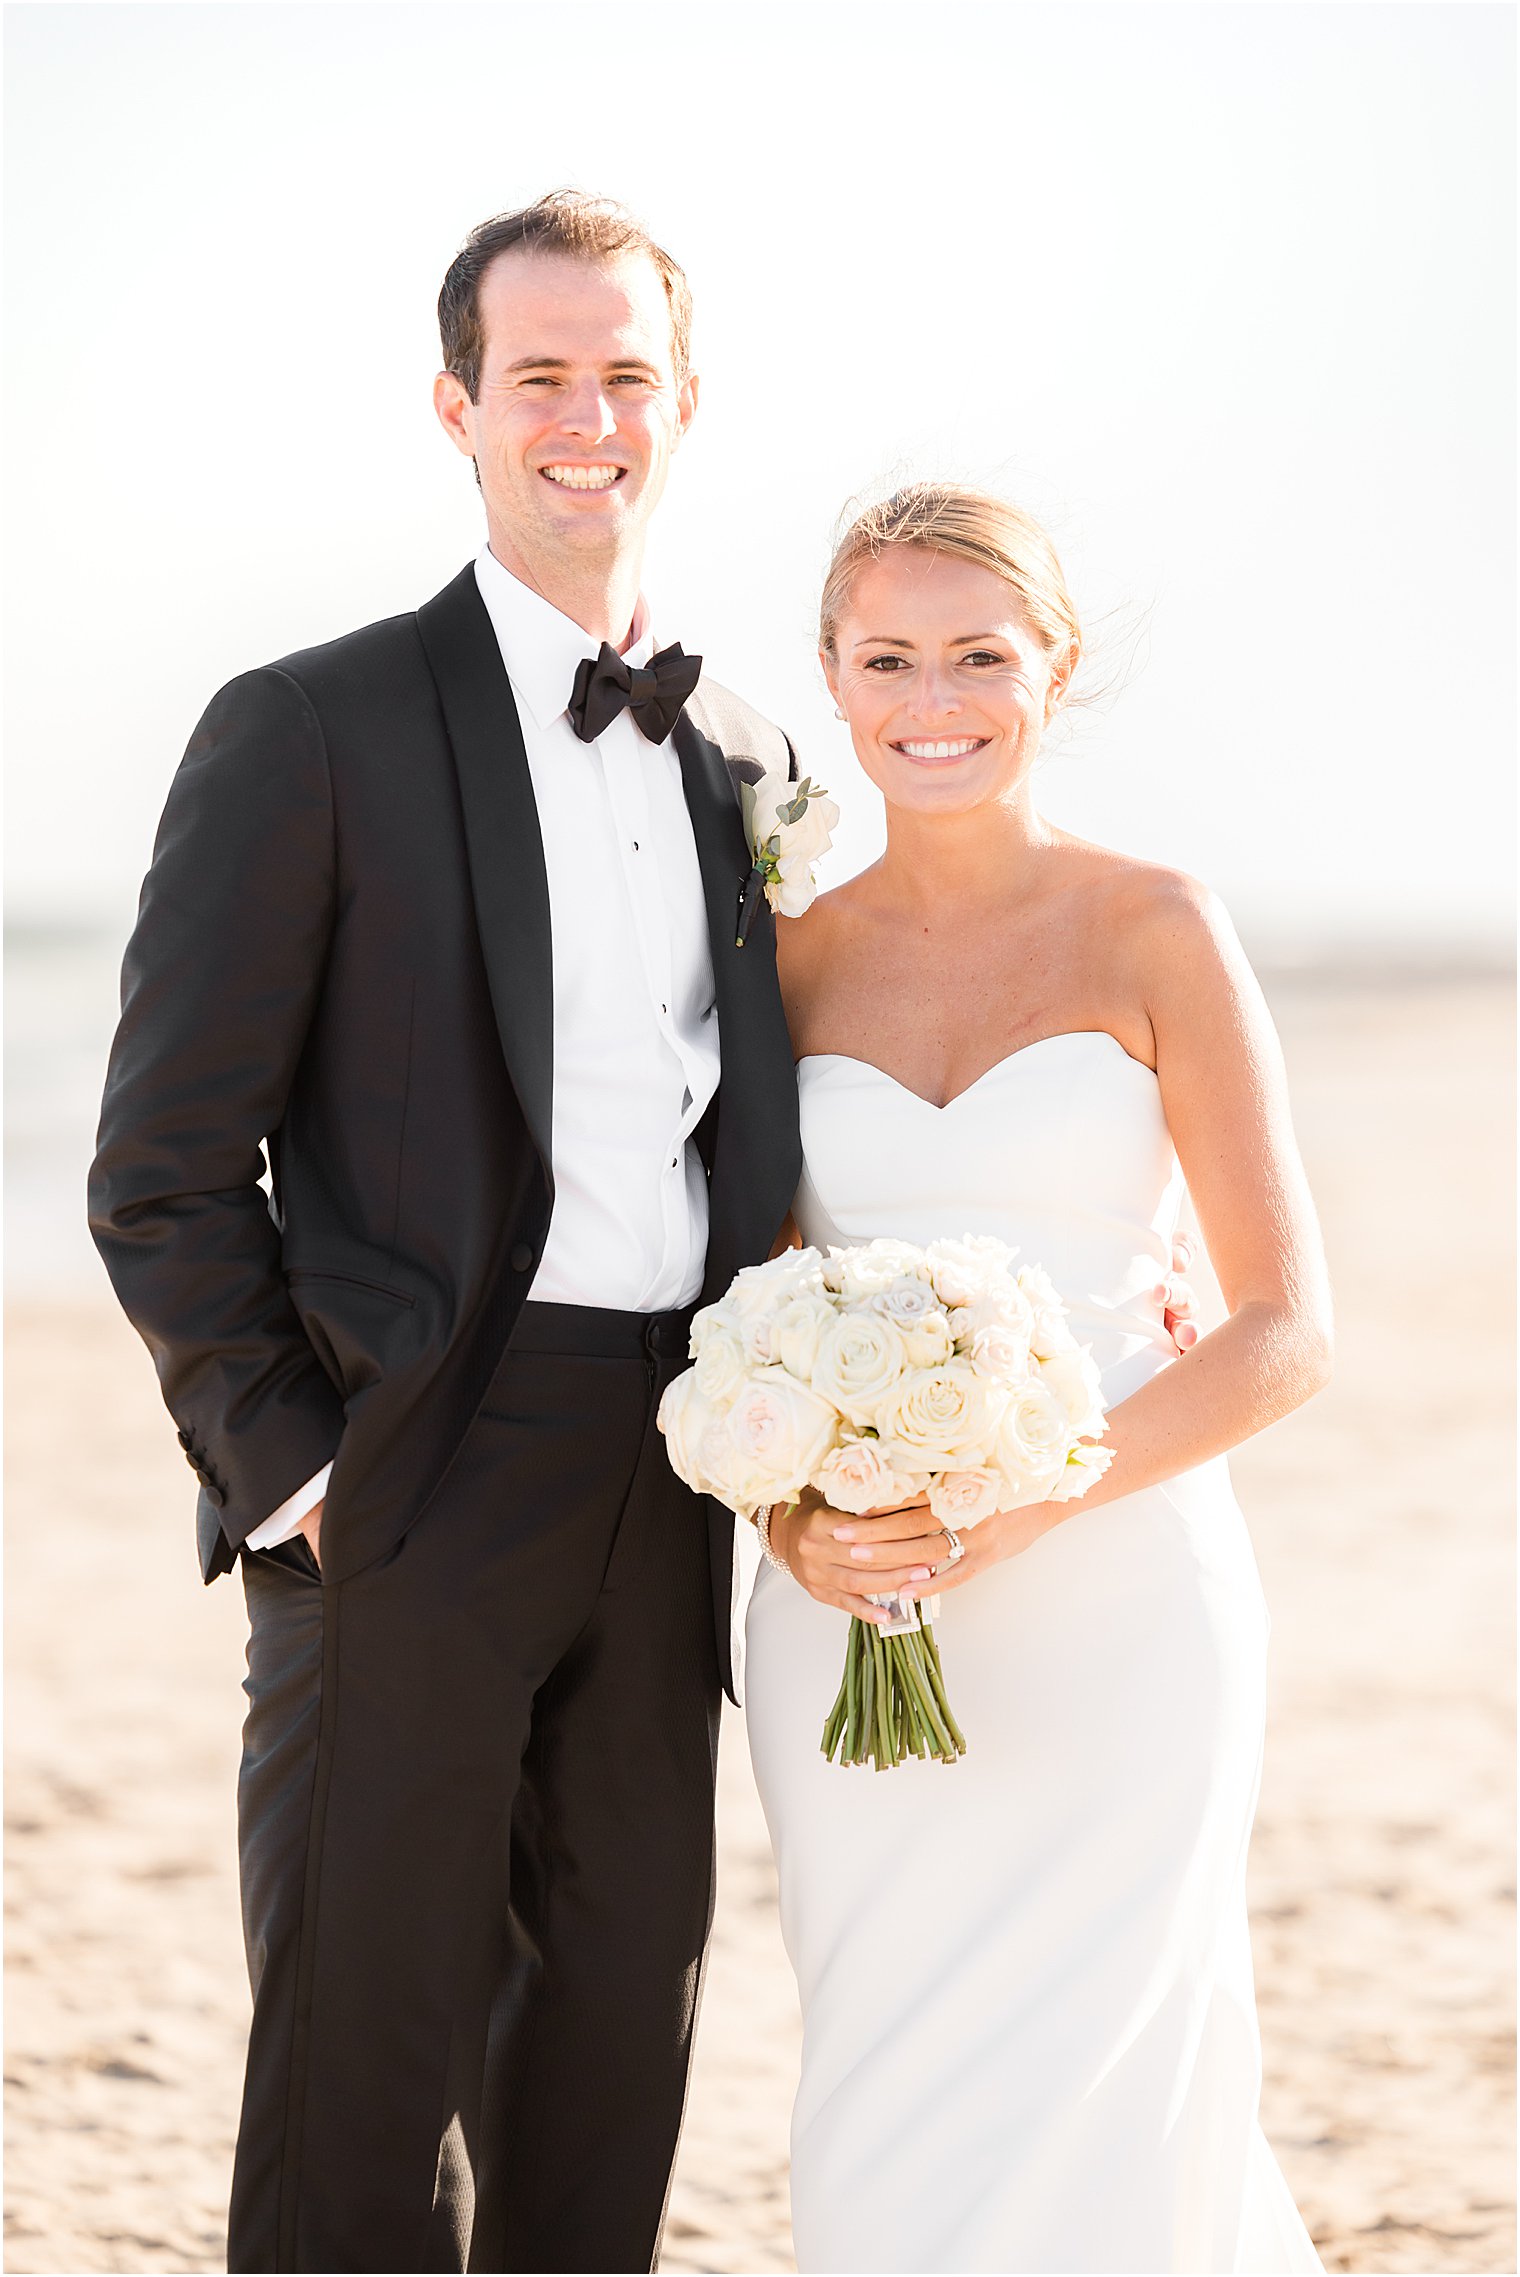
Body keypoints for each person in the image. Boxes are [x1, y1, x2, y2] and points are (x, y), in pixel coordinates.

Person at [87, 191, 806, 2274]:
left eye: (627, 377)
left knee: (613, 2022)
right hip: (401, 1456)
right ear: (460, 406)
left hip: (667, 1458)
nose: (587, 417)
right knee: (360, 2058)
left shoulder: (743, 749)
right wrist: (291, 1457)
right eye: (541, 377)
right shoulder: (311, 724)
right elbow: (160, 1160)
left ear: (683, 408)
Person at [744, 485, 1332, 2273]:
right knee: (880, 2071)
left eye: (981, 655)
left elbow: (1286, 1326)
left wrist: (1036, 1491)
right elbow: (750, 1300)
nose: (936, 696)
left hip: (1120, 1587)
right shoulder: (787, 955)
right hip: (857, 1600)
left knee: (1116, 2070)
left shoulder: (1158, 924)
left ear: (1053, 672)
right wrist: (786, 1518)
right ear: (835, 684)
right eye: (890, 657)